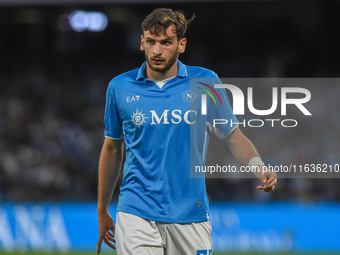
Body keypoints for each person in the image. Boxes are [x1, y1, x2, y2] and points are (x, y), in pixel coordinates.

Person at [97, 7, 277, 255]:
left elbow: (232, 135)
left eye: (166, 43)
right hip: (136, 210)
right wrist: (102, 209)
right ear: (141, 43)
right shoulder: (119, 87)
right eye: (151, 42)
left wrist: (259, 167)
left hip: (190, 212)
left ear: (181, 45)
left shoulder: (205, 82)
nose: (157, 50)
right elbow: (112, 147)